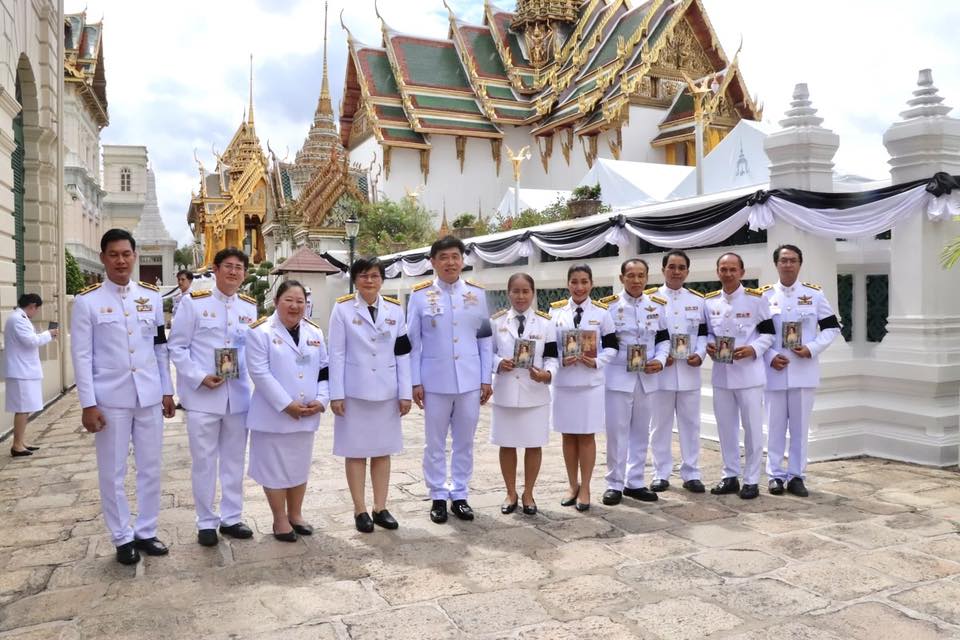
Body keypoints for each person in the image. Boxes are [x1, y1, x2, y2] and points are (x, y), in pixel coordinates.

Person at [70, 229, 176, 565]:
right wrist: (88, 404)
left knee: (150, 467)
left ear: (135, 255)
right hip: (110, 400)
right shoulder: (88, 302)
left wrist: (166, 389)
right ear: (103, 258)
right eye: (113, 254)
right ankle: (121, 537)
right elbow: (82, 357)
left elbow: (159, 348)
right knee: (112, 472)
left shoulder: (151, 297)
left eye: (126, 254)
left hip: (147, 397)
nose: (121, 260)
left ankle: (146, 530)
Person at [168, 247, 258, 547]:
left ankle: (231, 517)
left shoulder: (249, 308)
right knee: (204, 462)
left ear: (244, 274)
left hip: (238, 396)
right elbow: (177, 347)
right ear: (216, 270)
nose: (234, 272)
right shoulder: (194, 304)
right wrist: (198, 376)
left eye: (239, 268)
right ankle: (206, 521)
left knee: (234, 460)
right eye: (228, 266)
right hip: (204, 397)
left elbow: (252, 350)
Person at [408, 236, 493, 524]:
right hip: (434, 382)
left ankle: (459, 493)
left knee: (464, 441)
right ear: (433, 262)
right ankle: (437, 496)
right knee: (434, 443)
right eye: (443, 257)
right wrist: (415, 382)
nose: (450, 262)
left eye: (455, 256)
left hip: (469, 381)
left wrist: (485, 378)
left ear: (463, 260)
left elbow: (484, 340)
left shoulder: (477, 295)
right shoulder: (420, 296)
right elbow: (413, 343)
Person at [328, 257, 412, 533]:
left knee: (382, 451)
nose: (369, 281)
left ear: (381, 280)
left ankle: (380, 506)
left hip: (387, 391)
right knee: (355, 452)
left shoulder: (395, 311)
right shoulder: (342, 310)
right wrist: (336, 394)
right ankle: (360, 509)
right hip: (354, 390)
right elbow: (336, 354)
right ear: (355, 279)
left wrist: (405, 392)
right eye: (363, 276)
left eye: (374, 276)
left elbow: (402, 353)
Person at [245, 280, 328, 541]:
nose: (295, 306)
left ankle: (296, 514)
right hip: (273, 416)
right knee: (274, 469)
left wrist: (323, 400)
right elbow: (260, 373)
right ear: (276, 302)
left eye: (300, 301)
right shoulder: (260, 332)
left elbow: (325, 369)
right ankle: (280, 520)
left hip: (307, 413)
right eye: (289, 300)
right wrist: (286, 405)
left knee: (298, 466)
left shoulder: (315, 333)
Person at [763, 244, 841, 497]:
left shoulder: (815, 295)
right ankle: (774, 475)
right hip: (774, 370)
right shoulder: (764, 296)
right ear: (776, 264)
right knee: (774, 427)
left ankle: (797, 475)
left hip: (803, 369)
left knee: (799, 428)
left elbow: (832, 327)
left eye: (793, 260)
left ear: (799, 264)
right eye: (783, 260)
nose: (787, 264)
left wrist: (812, 347)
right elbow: (756, 333)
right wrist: (770, 355)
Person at [704, 252, 775, 500]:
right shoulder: (710, 302)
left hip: (749, 375)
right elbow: (707, 333)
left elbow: (769, 334)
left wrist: (753, 349)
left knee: (753, 429)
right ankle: (730, 476)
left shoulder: (757, 299)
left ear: (742, 272)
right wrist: (709, 346)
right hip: (722, 375)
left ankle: (752, 479)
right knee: (726, 429)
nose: (728, 273)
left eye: (733, 269)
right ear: (718, 272)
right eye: (723, 269)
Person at [600, 258, 670, 506]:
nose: (636, 280)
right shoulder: (608, 307)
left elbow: (663, 339)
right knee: (617, 432)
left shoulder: (657, 306)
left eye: (641, 275)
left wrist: (660, 360)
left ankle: (635, 481)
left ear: (647, 278)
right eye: (631, 275)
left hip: (647, 377)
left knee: (641, 431)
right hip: (619, 376)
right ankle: (614, 483)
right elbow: (603, 342)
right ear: (622, 278)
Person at [549, 264, 618, 511]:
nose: (579, 287)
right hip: (565, 384)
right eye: (574, 282)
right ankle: (572, 485)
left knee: (587, 436)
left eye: (584, 282)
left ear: (591, 284)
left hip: (590, 384)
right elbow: (548, 348)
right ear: (568, 284)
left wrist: (597, 361)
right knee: (568, 435)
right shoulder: (555, 312)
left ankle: (586, 486)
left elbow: (612, 347)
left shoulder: (601, 313)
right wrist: (560, 359)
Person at [490, 273, 558, 516]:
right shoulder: (496, 322)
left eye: (525, 291)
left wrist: (547, 374)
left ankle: (528, 493)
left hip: (534, 393)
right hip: (506, 391)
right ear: (508, 293)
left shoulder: (546, 323)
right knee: (506, 444)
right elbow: (487, 353)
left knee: (533, 444)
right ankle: (510, 492)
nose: (520, 296)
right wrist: (498, 363)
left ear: (533, 293)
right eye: (516, 291)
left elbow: (552, 357)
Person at [650, 250, 708, 493]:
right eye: (671, 267)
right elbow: (646, 335)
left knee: (691, 425)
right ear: (663, 270)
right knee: (660, 426)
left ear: (687, 271)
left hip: (689, 372)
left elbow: (704, 333)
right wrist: (660, 356)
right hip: (661, 374)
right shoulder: (650, 299)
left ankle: (691, 472)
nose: (676, 271)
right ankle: (660, 473)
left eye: (681, 267)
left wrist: (701, 354)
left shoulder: (698, 300)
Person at [4, 293, 58, 457]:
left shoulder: (20, 318)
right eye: (37, 309)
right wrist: (50, 334)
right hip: (21, 371)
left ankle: (21, 441)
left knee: (25, 408)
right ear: (33, 305)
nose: (36, 313)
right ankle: (17, 445)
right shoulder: (18, 319)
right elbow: (31, 341)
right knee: (22, 408)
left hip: (24, 369)